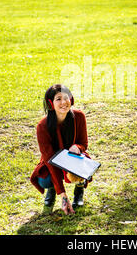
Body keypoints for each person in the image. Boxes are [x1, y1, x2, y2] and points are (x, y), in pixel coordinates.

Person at [30, 84, 91, 215]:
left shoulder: (79, 117)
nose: (63, 102)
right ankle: (51, 189)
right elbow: (48, 159)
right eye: (58, 99)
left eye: (66, 98)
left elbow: (84, 143)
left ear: (71, 100)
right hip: (53, 161)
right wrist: (63, 195)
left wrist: (78, 147)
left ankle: (79, 190)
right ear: (51, 103)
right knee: (44, 179)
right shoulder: (42, 126)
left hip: (73, 157)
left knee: (85, 168)